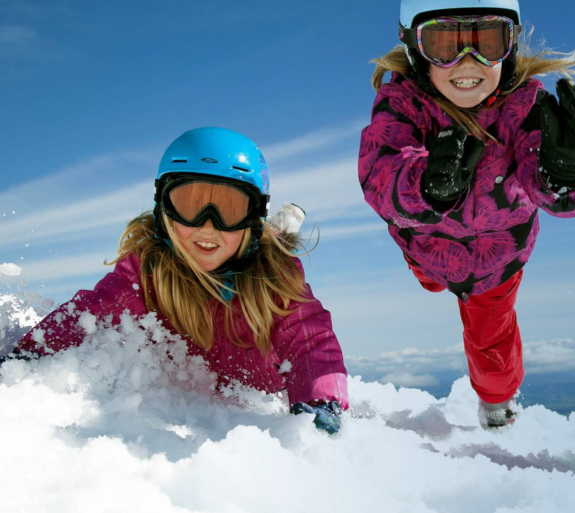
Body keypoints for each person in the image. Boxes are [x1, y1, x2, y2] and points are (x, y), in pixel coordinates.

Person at [358, 0, 575, 428]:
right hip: (428, 246)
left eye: (487, 42)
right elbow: (378, 171)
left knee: (491, 342)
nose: (467, 63)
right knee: (431, 279)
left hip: (497, 260)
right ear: (413, 47)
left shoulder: (524, 105)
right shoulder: (403, 104)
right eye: (444, 44)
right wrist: (427, 187)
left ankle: (497, 407)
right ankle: (430, 272)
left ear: (509, 47)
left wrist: (565, 170)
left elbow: (552, 195)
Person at [12, 127, 349, 434]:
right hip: (198, 386)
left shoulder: (275, 281)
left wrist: (321, 404)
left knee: (268, 253)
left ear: (253, 218)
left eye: (230, 209)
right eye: (190, 205)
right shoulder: (147, 271)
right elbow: (89, 312)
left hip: (255, 378)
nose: (208, 226)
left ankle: (278, 231)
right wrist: (23, 362)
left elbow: (311, 340)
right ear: (164, 209)